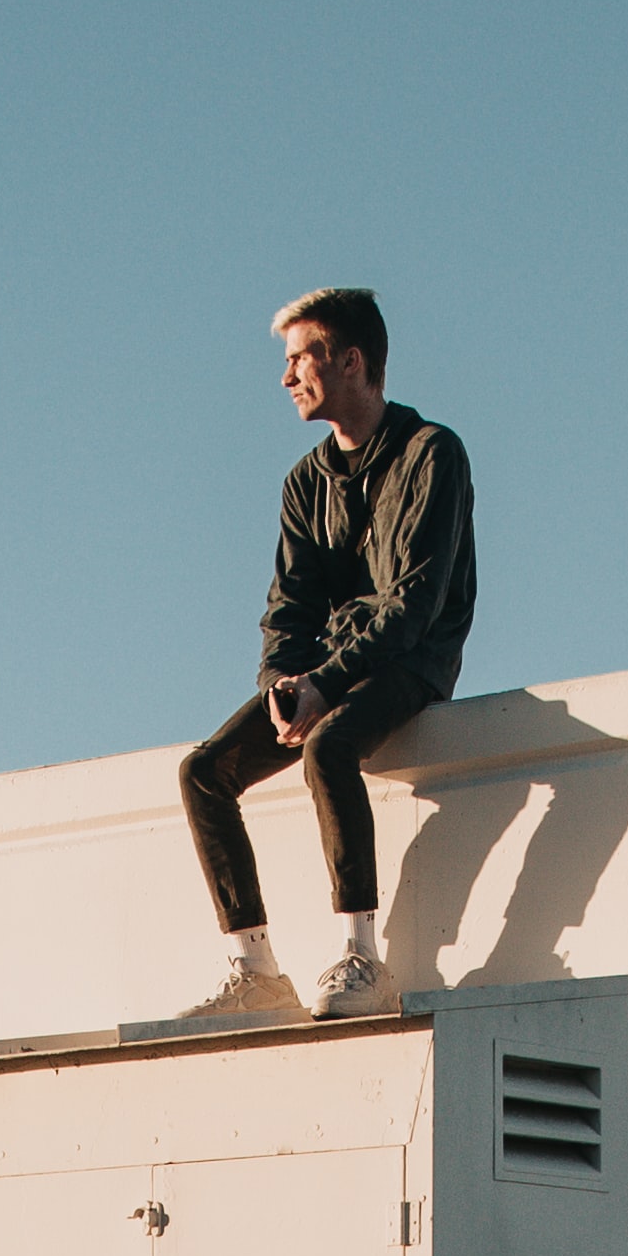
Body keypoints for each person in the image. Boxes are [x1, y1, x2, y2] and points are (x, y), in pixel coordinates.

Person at [167, 289, 475, 1027]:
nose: (286, 377)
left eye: (300, 357)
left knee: (331, 747)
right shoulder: (305, 482)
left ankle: (362, 953)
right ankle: (256, 970)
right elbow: (290, 605)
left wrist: (326, 685)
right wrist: (282, 682)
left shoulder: (432, 453)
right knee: (204, 772)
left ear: (352, 360)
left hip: (412, 662)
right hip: (324, 673)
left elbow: (414, 605)